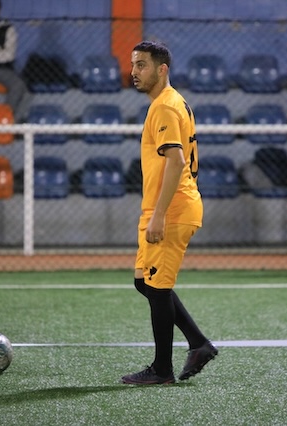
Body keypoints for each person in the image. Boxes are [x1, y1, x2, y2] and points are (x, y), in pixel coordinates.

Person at [121, 41, 217, 385]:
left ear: (162, 69)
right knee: (143, 282)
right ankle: (199, 344)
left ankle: (162, 370)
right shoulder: (171, 102)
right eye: (134, 64)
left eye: (142, 65)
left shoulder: (164, 106)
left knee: (158, 289)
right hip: (167, 207)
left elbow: (176, 161)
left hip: (172, 210)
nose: (134, 72)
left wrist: (160, 214)